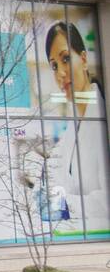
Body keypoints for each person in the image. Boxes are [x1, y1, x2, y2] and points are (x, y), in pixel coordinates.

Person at [44, 22, 108, 238]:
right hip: (78, 232)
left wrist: (63, 202)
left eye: (65, 59)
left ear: (83, 58)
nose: (60, 73)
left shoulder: (101, 115)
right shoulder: (72, 125)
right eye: (54, 66)